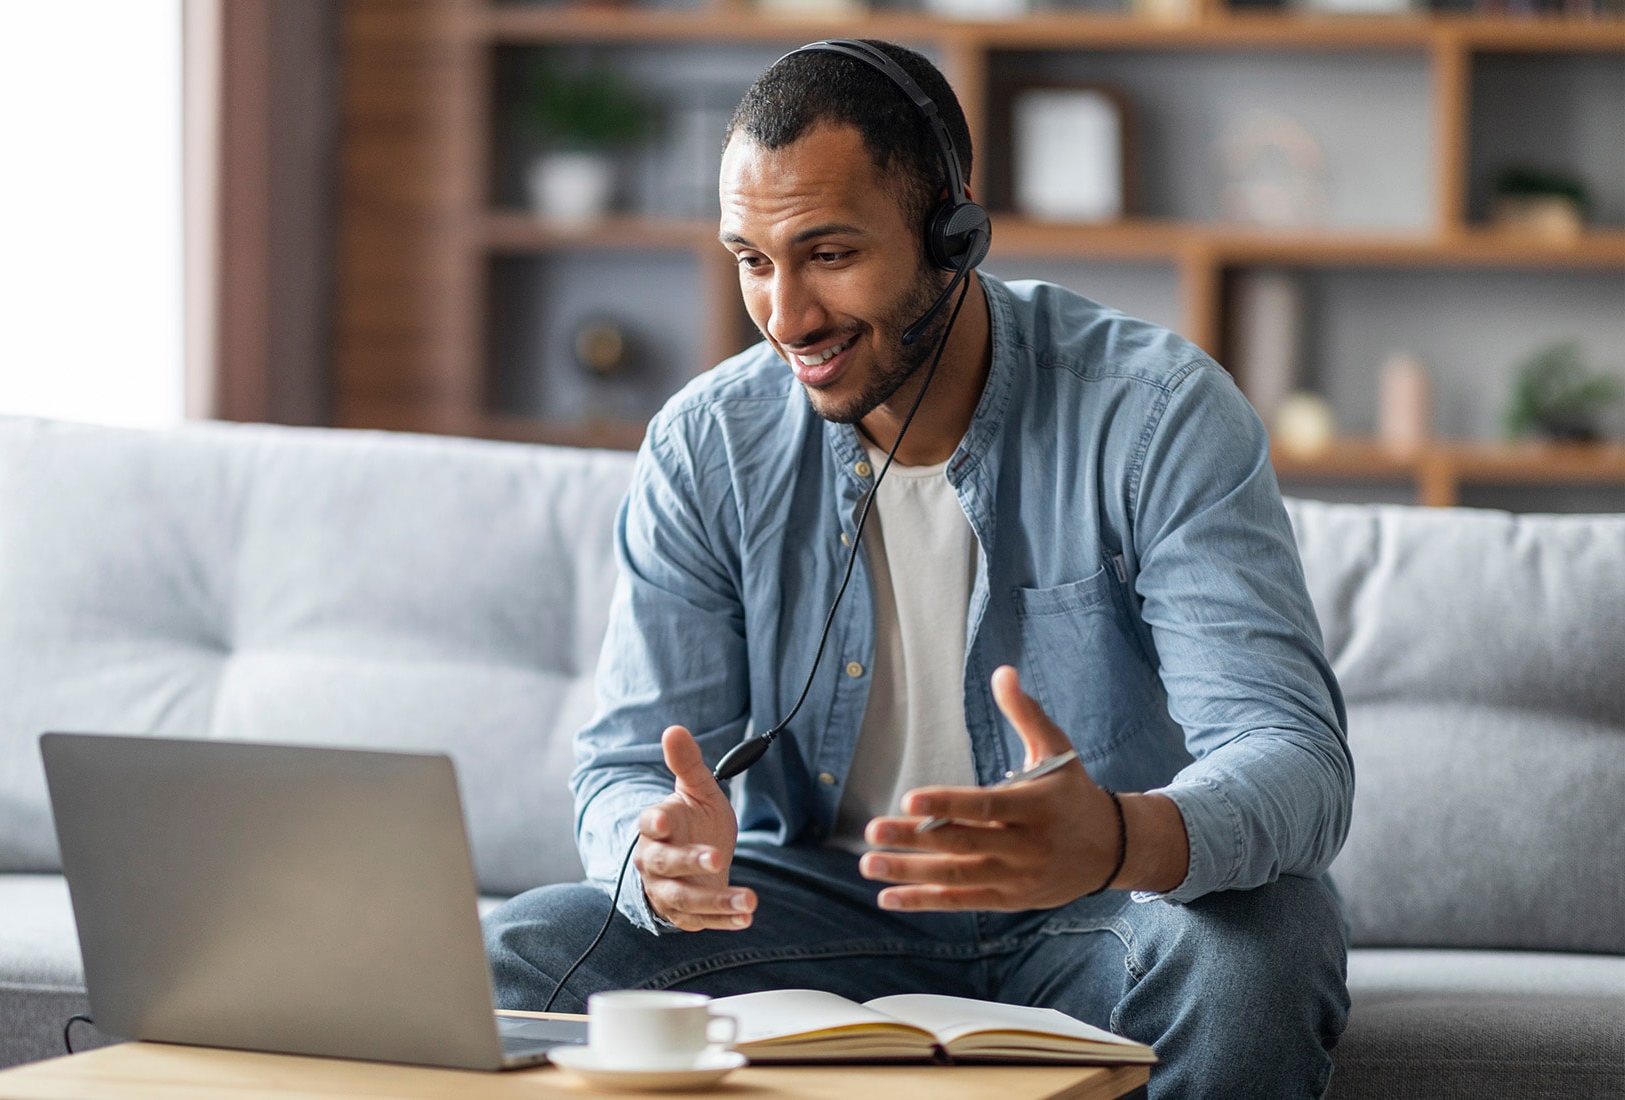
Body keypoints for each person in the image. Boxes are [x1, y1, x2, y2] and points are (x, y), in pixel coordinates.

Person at [484, 39, 1351, 1099]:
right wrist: (652, 853)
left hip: (1097, 905)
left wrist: (1120, 837)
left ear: (954, 233)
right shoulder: (704, 444)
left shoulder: (1155, 415)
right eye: (752, 259)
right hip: (811, 902)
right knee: (521, 951)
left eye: (828, 253)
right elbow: (624, 765)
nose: (785, 315)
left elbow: (1293, 755)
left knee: (1261, 947)